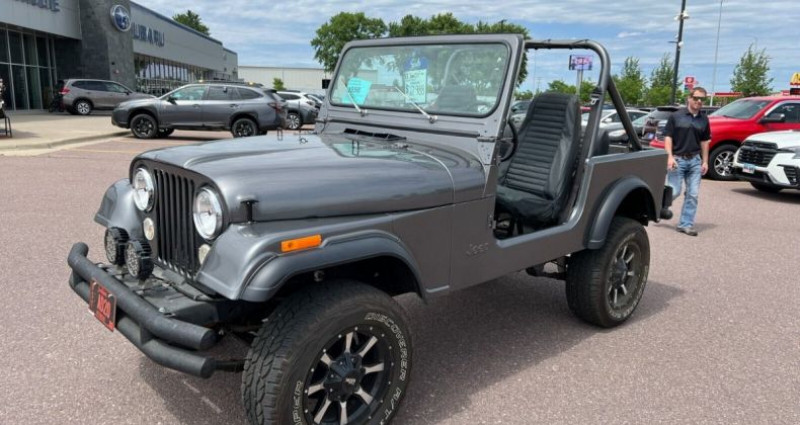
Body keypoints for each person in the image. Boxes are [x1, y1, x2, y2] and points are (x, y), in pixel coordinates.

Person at [663, 87, 712, 237]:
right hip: (677, 159)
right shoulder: (676, 116)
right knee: (675, 190)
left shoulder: (704, 119)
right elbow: (668, 137)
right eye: (696, 98)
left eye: (702, 99)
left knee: (693, 194)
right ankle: (659, 205)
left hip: (695, 161)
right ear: (689, 98)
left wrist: (705, 161)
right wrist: (669, 157)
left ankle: (685, 224)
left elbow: (705, 141)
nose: (699, 101)